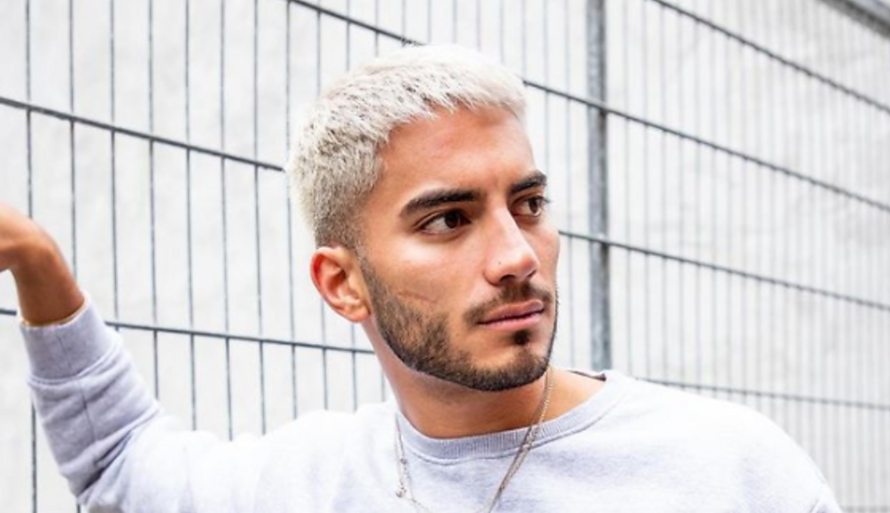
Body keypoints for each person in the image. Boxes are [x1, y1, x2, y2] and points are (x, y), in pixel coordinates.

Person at [2, 45, 840, 513]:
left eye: (530, 202)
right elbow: (119, 465)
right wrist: (34, 259)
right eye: (449, 218)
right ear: (342, 284)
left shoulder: (729, 470)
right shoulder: (306, 482)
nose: (518, 255)